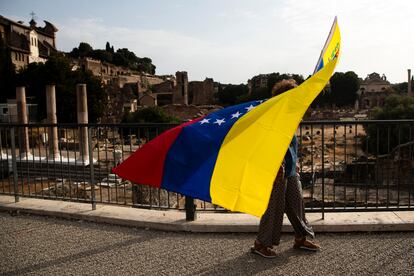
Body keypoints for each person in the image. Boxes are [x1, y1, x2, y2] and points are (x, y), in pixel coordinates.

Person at [251, 79, 320, 258]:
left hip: (290, 169)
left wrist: (295, 162)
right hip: (276, 170)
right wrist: (273, 167)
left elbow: (290, 144)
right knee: (274, 207)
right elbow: (267, 144)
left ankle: (301, 237)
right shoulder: (274, 115)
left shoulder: (290, 115)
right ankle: (261, 243)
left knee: (297, 205)